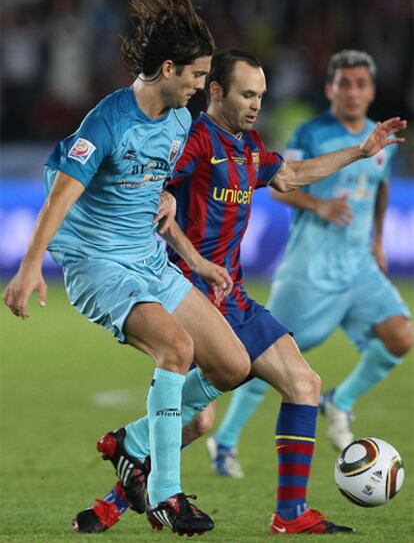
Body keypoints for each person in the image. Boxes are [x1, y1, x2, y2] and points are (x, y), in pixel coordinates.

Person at [76, 48, 406, 535]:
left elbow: (291, 176)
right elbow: (154, 198)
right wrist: (184, 236)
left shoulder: (249, 146)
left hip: (234, 296)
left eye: (261, 95)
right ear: (216, 91)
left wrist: (360, 151)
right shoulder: (189, 140)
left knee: (305, 385)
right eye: (247, 94)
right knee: (198, 422)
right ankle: (115, 498)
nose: (256, 104)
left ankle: (289, 514)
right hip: (188, 292)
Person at [2, 0, 258, 537]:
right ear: (168, 69)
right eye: (196, 77)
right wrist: (28, 268)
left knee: (233, 366)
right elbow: (59, 197)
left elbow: (153, 188)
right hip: (98, 266)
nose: (201, 88)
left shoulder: (181, 121)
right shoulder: (107, 121)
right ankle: (166, 494)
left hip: (149, 261)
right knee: (176, 348)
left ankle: (132, 443)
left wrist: (165, 199)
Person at [204, 49, 414, 472]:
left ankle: (342, 400)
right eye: (344, 84)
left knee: (401, 335)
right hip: (309, 271)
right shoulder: (311, 133)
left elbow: (381, 187)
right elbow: (280, 186)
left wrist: (375, 239)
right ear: (330, 89)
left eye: (360, 84)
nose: (352, 92)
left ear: (372, 90)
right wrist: (319, 206)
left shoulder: (380, 140)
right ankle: (224, 441)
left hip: (357, 268)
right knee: (263, 358)